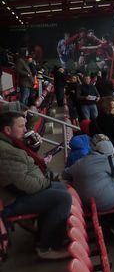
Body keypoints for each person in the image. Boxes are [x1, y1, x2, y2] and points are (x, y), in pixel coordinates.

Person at [0, 111, 72, 260]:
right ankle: (46, 247)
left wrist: (33, 150)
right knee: (61, 198)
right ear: (7, 130)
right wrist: (46, 182)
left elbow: (24, 169)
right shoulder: (4, 151)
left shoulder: (10, 143)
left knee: (59, 189)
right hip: (11, 201)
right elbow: (23, 185)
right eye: (21, 126)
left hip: (18, 193)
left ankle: (46, 235)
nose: (26, 130)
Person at [63, 135, 114, 240]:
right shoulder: (107, 160)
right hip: (101, 201)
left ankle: (113, 222)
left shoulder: (82, 160)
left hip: (85, 201)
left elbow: (65, 174)